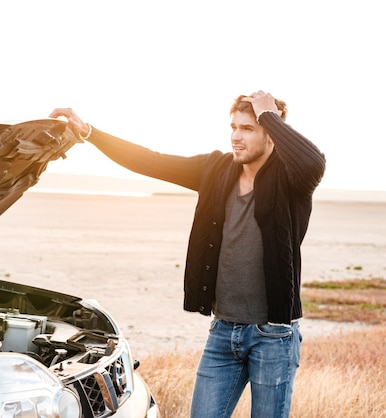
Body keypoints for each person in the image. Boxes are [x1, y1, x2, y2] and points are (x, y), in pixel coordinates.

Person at [50, 91, 326, 418]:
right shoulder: (216, 169)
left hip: (273, 336)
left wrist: (269, 115)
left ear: (271, 133)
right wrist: (91, 133)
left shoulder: (291, 179)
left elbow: (313, 161)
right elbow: (151, 160)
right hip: (224, 333)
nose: (236, 137)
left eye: (249, 128)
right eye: (234, 127)